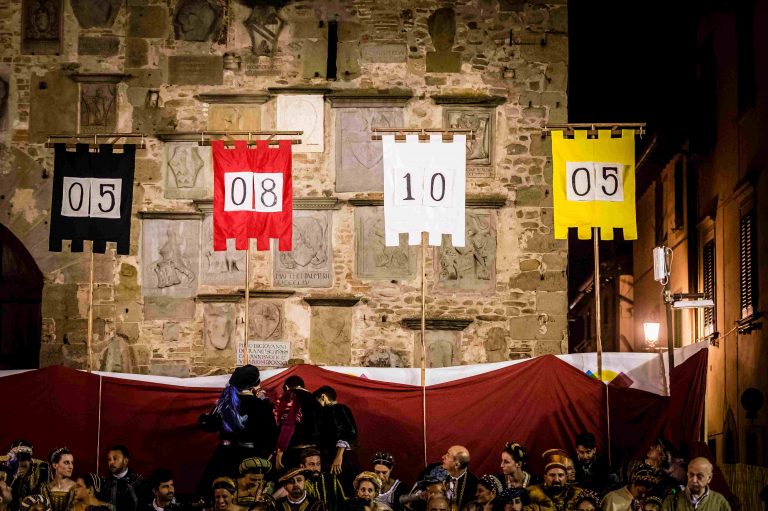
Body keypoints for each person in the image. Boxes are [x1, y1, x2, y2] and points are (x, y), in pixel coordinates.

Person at [200, 365, 277, 495]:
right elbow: (271, 436)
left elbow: (208, 425)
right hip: (251, 459)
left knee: (221, 496)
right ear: (256, 383)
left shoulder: (224, 404)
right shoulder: (261, 405)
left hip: (224, 457)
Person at [275, 377, 322, 471]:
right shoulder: (315, 400)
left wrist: (280, 449)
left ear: (286, 387)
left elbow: (288, 424)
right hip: (314, 451)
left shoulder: (291, 395)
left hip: (295, 451)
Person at [314, 386, 359, 480]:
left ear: (323, 397)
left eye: (317, 400)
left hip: (339, 459)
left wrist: (339, 456)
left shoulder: (338, 408)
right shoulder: (328, 412)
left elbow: (346, 431)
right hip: (331, 458)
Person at [660, 458, 730, 511]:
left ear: (709, 478)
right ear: (687, 474)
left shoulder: (719, 501)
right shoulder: (671, 501)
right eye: (691, 475)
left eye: (699, 476)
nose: (694, 480)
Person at [99, 445, 144, 511]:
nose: (111, 462)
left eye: (115, 458)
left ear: (125, 461)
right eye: (109, 459)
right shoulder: (103, 483)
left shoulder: (138, 482)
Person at [439, 446, 477, 511]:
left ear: (457, 465)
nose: (443, 457)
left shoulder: (474, 484)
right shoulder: (433, 471)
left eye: (447, 455)